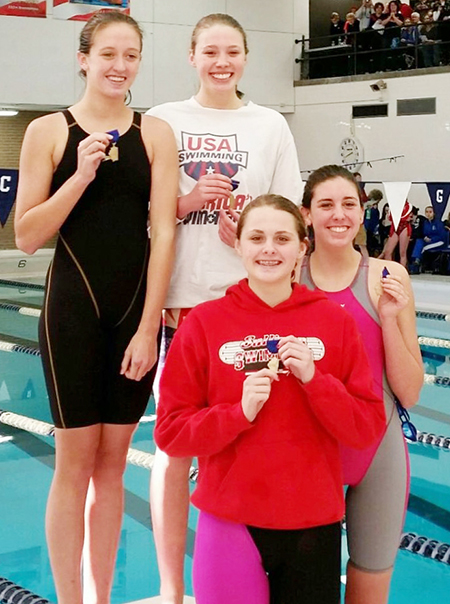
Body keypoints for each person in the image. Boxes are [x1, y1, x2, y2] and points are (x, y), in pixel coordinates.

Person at [14, 12, 178, 604]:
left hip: (134, 318)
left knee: (112, 469)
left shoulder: (155, 133)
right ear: (83, 58)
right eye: (108, 53)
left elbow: (164, 231)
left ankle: (101, 599)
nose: (119, 66)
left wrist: (147, 328)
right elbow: (26, 237)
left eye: (131, 55)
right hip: (71, 318)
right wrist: (79, 175)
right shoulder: (48, 131)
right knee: (73, 466)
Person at [155, 195, 386, 604]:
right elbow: (171, 434)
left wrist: (316, 381)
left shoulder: (334, 321)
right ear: (239, 244)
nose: (269, 249)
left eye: (282, 238)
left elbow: (366, 428)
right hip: (231, 522)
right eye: (257, 237)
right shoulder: (205, 324)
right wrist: (237, 414)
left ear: (302, 247)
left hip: (313, 523)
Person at [146, 13, 303, 603]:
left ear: (244, 57)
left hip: (253, 310)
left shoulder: (269, 126)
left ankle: (247, 573)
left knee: (253, 440)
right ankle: (170, 588)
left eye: (232, 51)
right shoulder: (164, 119)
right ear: (191, 55)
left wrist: (251, 233)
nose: (221, 61)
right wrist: (186, 203)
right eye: (210, 50)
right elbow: (142, 214)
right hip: (183, 308)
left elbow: (287, 217)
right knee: (173, 451)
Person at [299, 165, 423, 604]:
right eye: (326, 205)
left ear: (360, 211)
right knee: (306, 588)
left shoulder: (389, 277)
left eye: (349, 204)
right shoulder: (287, 275)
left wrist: (388, 320)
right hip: (306, 454)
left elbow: (410, 391)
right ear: (306, 214)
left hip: (377, 451)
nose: (339, 215)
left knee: (370, 585)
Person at [411, 205, 448, 269]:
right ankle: (415, 260)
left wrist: (431, 239)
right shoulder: (425, 223)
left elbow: (442, 236)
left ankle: (417, 261)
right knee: (419, 241)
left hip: (440, 241)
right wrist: (425, 237)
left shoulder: (438, 223)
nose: (428, 214)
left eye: (430, 212)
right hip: (429, 241)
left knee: (424, 248)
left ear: (434, 213)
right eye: (427, 212)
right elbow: (424, 233)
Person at [379, 199, 413, 266]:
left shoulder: (408, 206)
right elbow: (390, 218)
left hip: (404, 227)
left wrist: (397, 216)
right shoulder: (393, 205)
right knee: (388, 252)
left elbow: (404, 217)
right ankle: (390, 269)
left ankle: (402, 271)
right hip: (394, 227)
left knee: (402, 252)